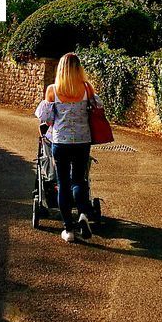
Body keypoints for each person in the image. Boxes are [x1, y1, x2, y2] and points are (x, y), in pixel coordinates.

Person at [35, 52, 100, 243]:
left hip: (60, 143)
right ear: (78, 68)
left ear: (60, 69)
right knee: (79, 180)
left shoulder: (52, 90)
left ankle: (69, 230)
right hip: (82, 141)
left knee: (63, 184)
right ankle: (82, 214)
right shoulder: (87, 89)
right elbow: (97, 109)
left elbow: (45, 118)